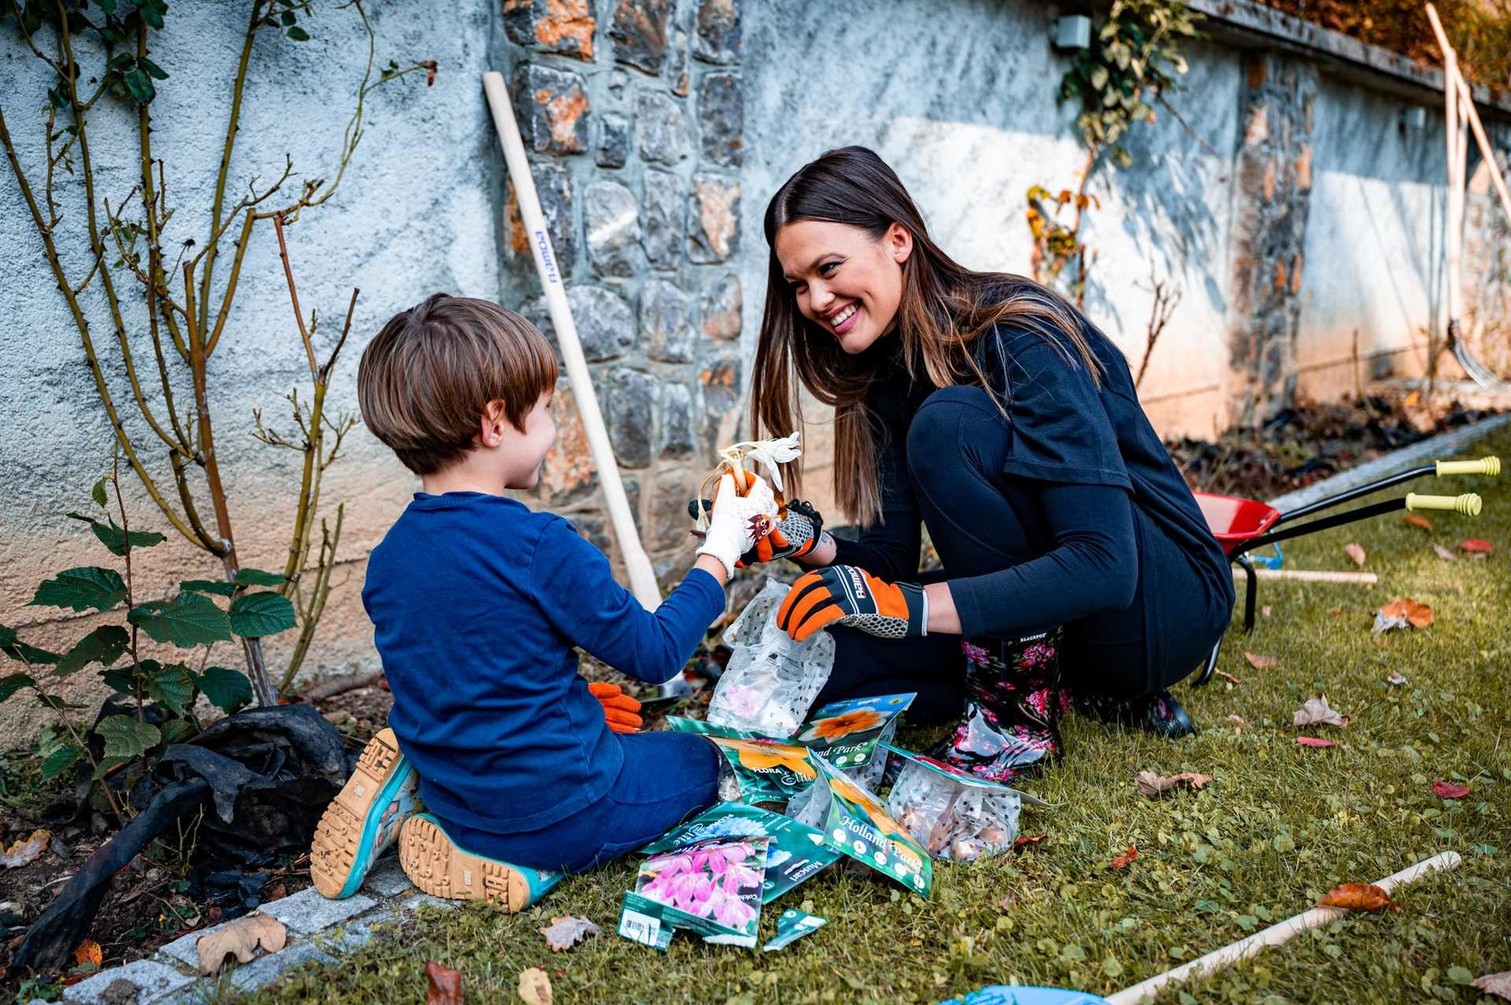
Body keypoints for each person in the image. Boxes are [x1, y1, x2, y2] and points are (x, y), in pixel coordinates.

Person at [739, 147, 1235, 783]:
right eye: (798, 285)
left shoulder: (1018, 334)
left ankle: (1016, 720)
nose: (815, 298)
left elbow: (1105, 566)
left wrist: (909, 611)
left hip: (1155, 610)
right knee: (824, 664)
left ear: (898, 239)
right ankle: (1046, 683)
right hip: (1054, 616)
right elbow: (889, 564)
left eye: (828, 268)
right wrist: (800, 541)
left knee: (950, 425)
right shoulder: (887, 370)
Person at [309, 293, 778, 908]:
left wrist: (574, 705)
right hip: (568, 808)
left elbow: (480, 668)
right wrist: (719, 551)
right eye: (548, 410)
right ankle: (542, 863)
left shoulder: (390, 558)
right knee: (696, 758)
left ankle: (446, 807)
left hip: (464, 803)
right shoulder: (538, 545)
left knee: (578, 745)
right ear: (496, 421)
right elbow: (657, 653)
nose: (556, 431)